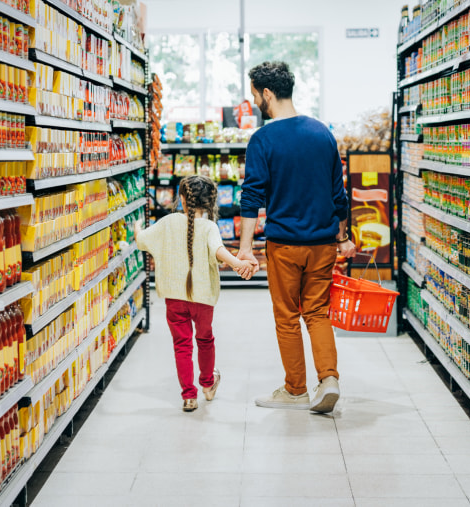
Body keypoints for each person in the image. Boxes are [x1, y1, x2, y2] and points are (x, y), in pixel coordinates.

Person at [238, 61, 357, 414]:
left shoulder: (263, 139)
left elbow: (252, 196)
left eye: (255, 94)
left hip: (285, 245)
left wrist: (245, 248)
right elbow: (339, 194)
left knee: (287, 316)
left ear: (267, 93)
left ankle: (295, 390)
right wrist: (343, 236)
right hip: (322, 245)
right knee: (318, 313)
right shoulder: (322, 132)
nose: (255, 101)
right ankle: (329, 379)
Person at [135, 175, 255, 412]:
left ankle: (189, 396)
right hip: (203, 299)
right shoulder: (210, 227)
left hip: (174, 298)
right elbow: (218, 251)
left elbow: (142, 241)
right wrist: (237, 264)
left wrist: (138, 227)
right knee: (205, 339)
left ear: (182, 199)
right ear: (211, 201)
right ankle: (208, 385)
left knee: (182, 345)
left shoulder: (168, 222)